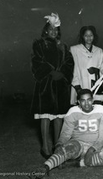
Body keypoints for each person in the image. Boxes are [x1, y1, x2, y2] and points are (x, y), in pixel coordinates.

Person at [30, 89, 103, 179]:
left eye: (89, 100)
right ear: (78, 102)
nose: (86, 104)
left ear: (93, 100)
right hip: (78, 144)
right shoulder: (72, 112)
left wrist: (92, 149)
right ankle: (45, 167)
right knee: (67, 149)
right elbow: (66, 134)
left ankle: (75, 163)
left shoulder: (102, 111)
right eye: (83, 101)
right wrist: (60, 144)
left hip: (95, 145)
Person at [30, 13, 74, 159]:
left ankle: (58, 145)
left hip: (60, 84)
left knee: (58, 116)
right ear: (46, 30)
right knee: (46, 115)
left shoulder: (63, 45)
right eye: (51, 29)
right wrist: (50, 71)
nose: (53, 32)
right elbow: (36, 61)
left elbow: (69, 62)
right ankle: (45, 146)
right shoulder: (39, 44)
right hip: (46, 85)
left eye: (56, 29)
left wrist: (62, 73)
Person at [70, 26, 103, 105]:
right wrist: (77, 86)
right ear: (82, 36)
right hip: (80, 84)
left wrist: (96, 71)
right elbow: (73, 70)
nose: (89, 38)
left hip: (95, 86)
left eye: (91, 35)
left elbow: (102, 70)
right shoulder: (74, 50)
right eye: (86, 35)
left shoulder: (99, 51)